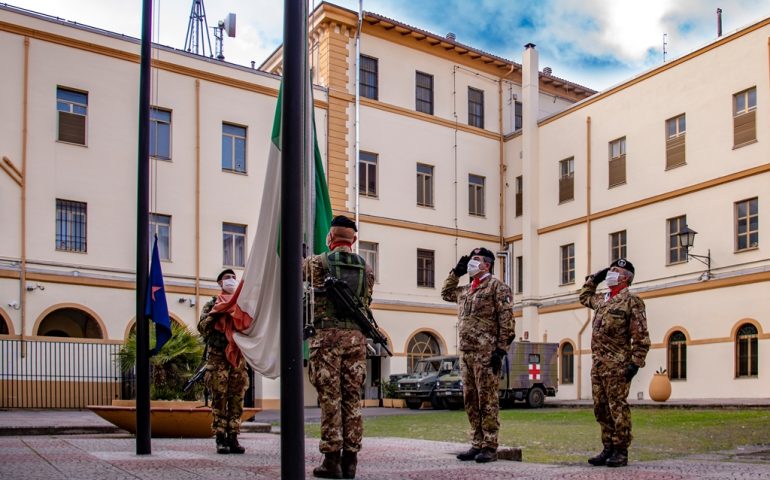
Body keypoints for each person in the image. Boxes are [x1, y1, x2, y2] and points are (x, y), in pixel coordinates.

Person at [306, 215, 374, 479]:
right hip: (356, 338)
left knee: (330, 398)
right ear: (354, 240)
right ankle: (351, 461)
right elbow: (368, 301)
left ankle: (331, 460)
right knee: (352, 398)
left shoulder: (317, 263)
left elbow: (294, 273)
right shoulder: (367, 269)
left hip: (326, 339)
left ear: (330, 238)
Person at [441, 247, 515, 463]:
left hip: (486, 353)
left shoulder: (497, 288)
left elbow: (507, 321)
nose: (472, 263)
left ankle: (490, 446)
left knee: (487, 400)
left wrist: (500, 351)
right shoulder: (466, 290)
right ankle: (476, 443)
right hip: (466, 353)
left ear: (487, 265)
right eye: (471, 260)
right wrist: (456, 272)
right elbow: (446, 293)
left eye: (476, 260)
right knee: (470, 400)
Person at [580, 258, 651, 467]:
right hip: (599, 366)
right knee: (600, 408)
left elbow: (641, 337)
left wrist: (635, 364)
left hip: (618, 366)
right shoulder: (602, 300)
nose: (610, 272)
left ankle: (621, 450)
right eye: (609, 269)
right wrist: (595, 278)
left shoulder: (632, 301)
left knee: (617, 408)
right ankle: (608, 447)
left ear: (625, 278)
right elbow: (584, 297)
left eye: (614, 270)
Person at [197, 268, 250, 455]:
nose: (231, 280)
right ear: (220, 283)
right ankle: (220, 437)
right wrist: (217, 312)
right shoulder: (212, 304)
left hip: (237, 357)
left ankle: (233, 436)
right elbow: (202, 328)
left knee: (237, 396)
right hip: (218, 355)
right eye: (227, 278)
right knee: (219, 396)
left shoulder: (242, 304)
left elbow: (249, 326)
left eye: (234, 278)